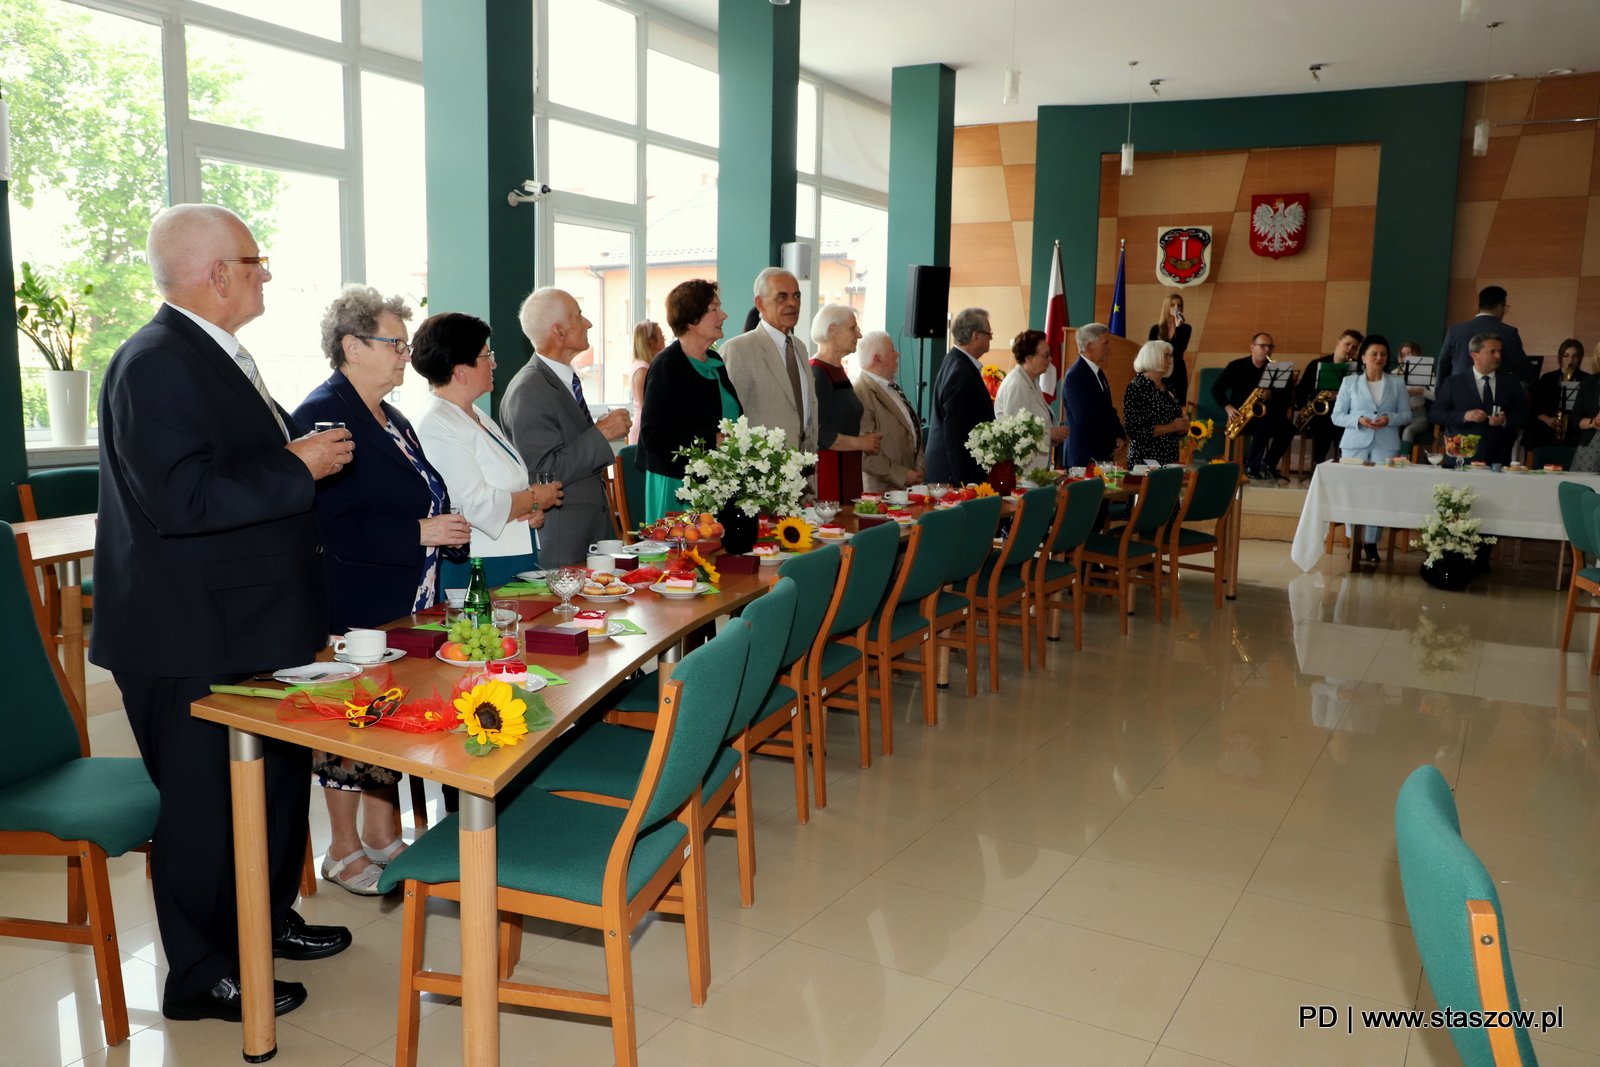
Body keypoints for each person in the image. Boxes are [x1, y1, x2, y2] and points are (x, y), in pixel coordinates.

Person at [92, 203, 354, 1022]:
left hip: (255, 624)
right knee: (206, 809)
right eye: (254, 259)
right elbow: (181, 499)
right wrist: (295, 463)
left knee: (275, 785)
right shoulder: (155, 361)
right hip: (189, 633)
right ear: (216, 274)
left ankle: (265, 921)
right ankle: (202, 973)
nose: (265, 272)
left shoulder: (214, 354)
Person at [292, 286, 472, 896]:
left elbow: (421, 489)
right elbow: (332, 526)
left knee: (386, 718)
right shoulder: (324, 416)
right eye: (393, 342)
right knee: (352, 722)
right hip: (354, 596)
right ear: (351, 346)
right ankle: (342, 851)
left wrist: (440, 530)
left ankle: (382, 831)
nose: (404, 354)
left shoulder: (390, 416)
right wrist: (421, 530)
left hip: (406, 592)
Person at [413, 312, 558, 586]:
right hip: (478, 565)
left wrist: (529, 509)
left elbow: (508, 485)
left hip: (509, 554)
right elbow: (473, 505)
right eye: (486, 356)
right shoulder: (436, 422)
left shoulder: (474, 413)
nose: (493, 363)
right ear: (461, 371)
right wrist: (534, 498)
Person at [500, 288, 632, 567]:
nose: (588, 324)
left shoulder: (561, 379)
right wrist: (602, 433)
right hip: (561, 538)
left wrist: (595, 432)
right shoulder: (530, 389)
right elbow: (542, 471)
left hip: (584, 530)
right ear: (558, 331)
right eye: (579, 316)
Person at [637, 279, 743, 521]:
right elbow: (654, 436)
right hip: (678, 484)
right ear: (691, 319)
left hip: (720, 480)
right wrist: (713, 439)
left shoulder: (715, 362)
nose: (723, 315)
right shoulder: (666, 365)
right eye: (714, 308)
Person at [1330, 335, 1411, 562]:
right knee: (1352, 491)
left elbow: (1407, 414)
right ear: (1363, 357)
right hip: (1355, 441)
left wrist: (1388, 418)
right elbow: (1336, 416)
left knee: (1379, 492)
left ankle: (1371, 543)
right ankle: (1354, 540)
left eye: (1383, 354)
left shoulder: (1396, 383)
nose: (1379, 358)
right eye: (1374, 354)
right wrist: (1359, 419)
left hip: (1385, 442)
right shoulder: (1349, 383)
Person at [720, 268, 818, 451]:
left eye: (796, 296)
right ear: (760, 304)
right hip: (761, 470)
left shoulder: (800, 347)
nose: (792, 303)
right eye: (782, 297)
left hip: (802, 467)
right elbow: (729, 424)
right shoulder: (738, 350)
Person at [809, 304, 883, 501]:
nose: (858, 335)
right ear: (832, 329)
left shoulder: (837, 370)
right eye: (853, 328)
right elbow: (820, 432)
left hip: (848, 467)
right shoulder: (817, 372)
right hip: (829, 474)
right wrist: (861, 442)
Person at [924, 306, 997, 485]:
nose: (991, 338)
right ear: (976, 336)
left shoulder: (956, 362)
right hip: (954, 478)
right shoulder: (960, 372)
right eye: (989, 333)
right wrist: (965, 484)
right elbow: (956, 434)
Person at [1432, 333, 1529, 467]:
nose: (1498, 356)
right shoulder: (1454, 383)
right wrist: (1464, 416)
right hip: (1462, 457)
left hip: (1499, 457)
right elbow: (1435, 415)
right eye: (1492, 352)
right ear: (1474, 355)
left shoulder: (1511, 381)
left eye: (1499, 351)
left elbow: (1524, 414)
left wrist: (1504, 420)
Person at [1212, 332, 1295, 482]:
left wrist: (1272, 395)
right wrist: (1228, 407)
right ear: (1252, 347)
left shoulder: (1278, 370)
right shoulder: (1236, 366)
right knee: (1263, 423)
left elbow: (1286, 397)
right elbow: (1216, 389)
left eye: (1270, 346)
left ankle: (1268, 464)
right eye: (1263, 346)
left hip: (1269, 414)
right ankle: (1252, 466)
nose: (1267, 349)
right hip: (1241, 416)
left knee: (1289, 428)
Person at [854, 331, 926, 492]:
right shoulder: (860, 393)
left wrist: (919, 468)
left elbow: (912, 428)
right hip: (881, 491)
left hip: (906, 487)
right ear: (877, 359)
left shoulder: (891, 387)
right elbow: (866, 453)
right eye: (892, 350)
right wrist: (903, 475)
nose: (898, 354)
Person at [996, 328, 1069, 473]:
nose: (1050, 360)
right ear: (1029, 358)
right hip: (1023, 471)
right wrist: (1051, 434)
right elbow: (1016, 432)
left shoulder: (1030, 381)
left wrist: (1053, 435)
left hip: (1034, 467)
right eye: (1046, 355)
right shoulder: (1017, 385)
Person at [1295, 328, 1362, 477]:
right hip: (1321, 413)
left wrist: (1339, 396)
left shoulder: (1358, 368)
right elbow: (1301, 389)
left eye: (1354, 347)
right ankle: (1318, 465)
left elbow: (1362, 394)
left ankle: (1347, 468)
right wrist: (1302, 406)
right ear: (1338, 343)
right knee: (1324, 423)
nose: (1350, 349)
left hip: (1347, 412)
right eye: (1347, 344)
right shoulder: (1316, 364)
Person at [1062, 322, 1126, 469]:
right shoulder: (1075, 376)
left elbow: (1108, 410)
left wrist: (1119, 435)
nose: (1110, 348)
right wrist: (1111, 441)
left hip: (1099, 453)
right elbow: (1085, 418)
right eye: (1106, 343)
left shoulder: (1099, 373)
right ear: (1090, 346)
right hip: (1084, 457)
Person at [1438, 285, 1531, 384]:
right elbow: (1521, 367)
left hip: (1459, 391)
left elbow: (1444, 364)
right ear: (1499, 307)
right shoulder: (1509, 332)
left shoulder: (1455, 330)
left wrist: (1439, 392)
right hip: (1494, 392)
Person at [1123, 339, 1189, 467]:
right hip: (1145, 460)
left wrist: (1182, 428)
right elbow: (1135, 430)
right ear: (1152, 357)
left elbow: (1175, 420)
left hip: (1169, 457)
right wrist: (1172, 427)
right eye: (1166, 356)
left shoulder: (1168, 387)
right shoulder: (1137, 387)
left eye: (1171, 356)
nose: (1170, 361)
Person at [1528, 338, 1588, 451]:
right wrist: (1547, 419)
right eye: (1566, 356)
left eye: (1575, 356)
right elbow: (1535, 407)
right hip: (1548, 427)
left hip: (1574, 428)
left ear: (1580, 358)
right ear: (1560, 357)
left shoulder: (1586, 379)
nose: (1570, 360)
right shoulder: (1547, 378)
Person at [1147, 292, 1191, 404]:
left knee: (1177, 406)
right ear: (1167, 307)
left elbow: (1180, 348)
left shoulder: (1185, 329)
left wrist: (1178, 327)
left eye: (1179, 305)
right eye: (1173, 305)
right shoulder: (1156, 329)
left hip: (1177, 371)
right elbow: (1152, 352)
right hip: (1161, 371)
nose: (1176, 308)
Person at [626, 319, 665, 445]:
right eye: (662, 336)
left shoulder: (647, 366)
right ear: (651, 341)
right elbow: (647, 407)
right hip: (644, 430)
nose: (664, 339)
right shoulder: (642, 369)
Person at [1398, 340, 1434, 448]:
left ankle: (1404, 459)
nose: (1406, 359)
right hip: (1401, 412)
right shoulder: (1396, 373)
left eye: (1409, 355)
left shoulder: (1428, 373)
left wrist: (1421, 391)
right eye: (1403, 355)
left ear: (1418, 355)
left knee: (1408, 432)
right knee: (1392, 430)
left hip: (1419, 414)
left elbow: (1436, 396)